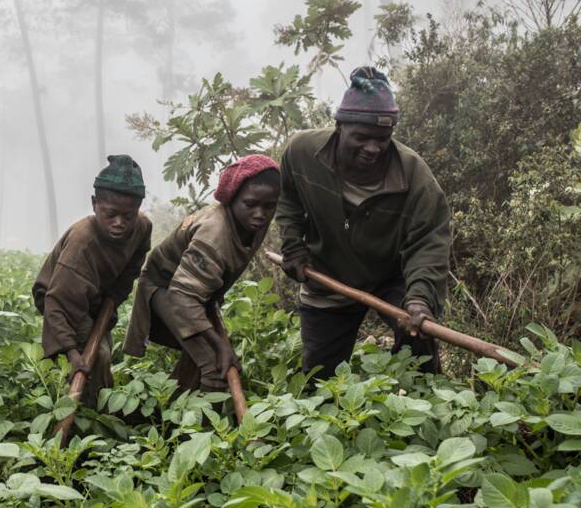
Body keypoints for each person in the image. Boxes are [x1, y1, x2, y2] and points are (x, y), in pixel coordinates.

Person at [277, 66, 450, 380]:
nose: (373, 148)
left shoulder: (416, 179)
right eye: (361, 137)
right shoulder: (301, 152)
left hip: (390, 275)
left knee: (420, 350)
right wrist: (293, 245)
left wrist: (421, 297)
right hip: (327, 272)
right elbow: (287, 196)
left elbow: (430, 243)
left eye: (382, 139)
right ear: (339, 126)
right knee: (320, 378)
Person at [123, 155, 280, 393]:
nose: (260, 214)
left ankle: (169, 410)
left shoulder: (252, 220)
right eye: (251, 204)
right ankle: (201, 429)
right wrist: (220, 345)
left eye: (269, 207)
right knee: (215, 365)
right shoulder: (214, 234)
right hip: (165, 288)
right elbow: (182, 297)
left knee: (198, 356)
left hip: (197, 293)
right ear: (231, 199)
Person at [32, 155, 152, 406]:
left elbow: (132, 267)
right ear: (95, 203)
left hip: (97, 295)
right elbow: (57, 303)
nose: (119, 223)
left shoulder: (141, 227)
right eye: (110, 214)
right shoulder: (81, 244)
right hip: (58, 297)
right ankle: (80, 411)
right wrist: (72, 352)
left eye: (128, 216)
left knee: (100, 354)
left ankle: (98, 408)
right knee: (92, 356)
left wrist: (113, 299)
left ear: (137, 210)